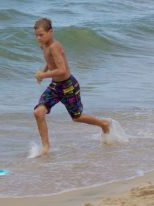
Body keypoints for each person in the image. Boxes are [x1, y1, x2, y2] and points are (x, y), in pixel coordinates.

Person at [33, 18, 110, 155]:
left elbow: (62, 70)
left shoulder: (54, 46)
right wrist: (44, 72)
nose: (38, 38)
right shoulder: (43, 45)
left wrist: (43, 76)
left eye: (41, 35)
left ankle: (103, 123)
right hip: (55, 86)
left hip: (68, 86)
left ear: (50, 31)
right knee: (38, 112)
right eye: (36, 35)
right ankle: (46, 148)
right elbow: (50, 62)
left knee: (77, 117)